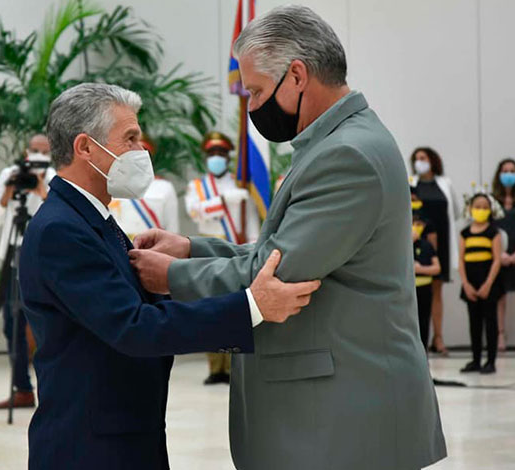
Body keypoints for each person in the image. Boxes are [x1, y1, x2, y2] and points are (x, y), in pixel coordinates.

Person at [129, 6, 446, 469]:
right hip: (335, 412)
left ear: (297, 75)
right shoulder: (335, 143)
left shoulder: (347, 156)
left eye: (255, 91)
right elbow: (281, 249)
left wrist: (174, 277)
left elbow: (275, 273)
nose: (252, 107)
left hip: (345, 419)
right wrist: (194, 248)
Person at [18, 83, 320, 470]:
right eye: (130, 138)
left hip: (125, 432)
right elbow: (134, 327)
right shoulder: (62, 229)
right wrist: (251, 307)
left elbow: (147, 300)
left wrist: (186, 269)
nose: (142, 150)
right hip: (90, 446)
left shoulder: (92, 217)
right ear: (85, 147)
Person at [184, 131, 260, 385]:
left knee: (236, 309)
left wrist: (253, 244)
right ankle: (215, 367)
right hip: (208, 251)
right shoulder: (197, 187)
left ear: (228, 157)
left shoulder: (241, 185)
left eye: (221, 154)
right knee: (211, 309)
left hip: (236, 249)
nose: (216, 158)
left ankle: (233, 365)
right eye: (212, 154)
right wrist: (223, 201)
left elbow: (250, 223)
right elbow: (196, 212)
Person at [0, 134, 55, 409]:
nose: (38, 155)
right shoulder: (9, 174)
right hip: (13, 256)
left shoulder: (55, 176)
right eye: (34, 150)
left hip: (42, 259)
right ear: (25, 151)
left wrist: (41, 190)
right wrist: (8, 192)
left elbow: (59, 214)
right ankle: (23, 389)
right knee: (10, 326)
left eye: (44, 151)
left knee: (46, 326)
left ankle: (51, 392)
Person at [410, 146, 460, 356]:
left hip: (440, 241)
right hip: (416, 242)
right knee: (417, 294)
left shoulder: (445, 183)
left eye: (423, 158)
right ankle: (417, 339)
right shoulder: (410, 182)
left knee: (436, 291)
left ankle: (438, 338)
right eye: (416, 158)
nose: (419, 161)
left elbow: (455, 212)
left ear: (432, 160)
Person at [458, 193, 503, 374]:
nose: (481, 210)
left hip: (488, 284)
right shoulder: (465, 233)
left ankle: (491, 361)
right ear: (470, 209)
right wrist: (466, 284)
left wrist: (488, 284)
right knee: (474, 323)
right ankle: (475, 360)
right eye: (477, 206)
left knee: (490, 323)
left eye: (485, 207)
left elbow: (497, 260)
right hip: (471, 283)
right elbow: (461, 261)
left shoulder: (494, 232)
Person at [109, 133, 179, 239]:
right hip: (120, 245)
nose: (138, 158)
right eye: (132, 153)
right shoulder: (112, 184)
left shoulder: (164, 187)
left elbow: (172, 228)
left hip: (152, 248)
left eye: (142, 154)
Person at [491, 158, 515, 351]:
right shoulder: (492, 201)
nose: (508, 174)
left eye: (512, 171)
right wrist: (500, 254)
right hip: (500, 254)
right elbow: (489, 228)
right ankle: (500, 334)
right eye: (505, 170)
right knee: (500, 296)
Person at [413, 210, 441, 347]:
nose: (416, 227)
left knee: (424, 321)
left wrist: (420, 269)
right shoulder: (401, 244)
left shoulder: (427, 245)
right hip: (409, 290)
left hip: (424, 289)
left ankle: (424, 353)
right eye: (413, 223)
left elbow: (437, 268)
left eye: (419, 224)